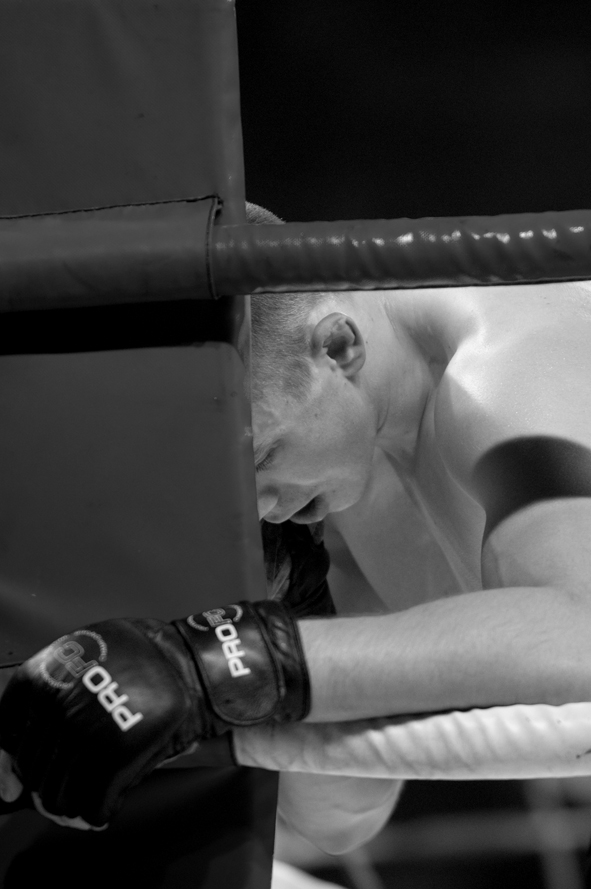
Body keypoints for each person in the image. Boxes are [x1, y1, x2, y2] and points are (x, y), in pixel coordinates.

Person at [1, 203, 591, 862]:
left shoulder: (508, 359)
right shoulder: (351, 469)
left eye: (263, 457)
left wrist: (215, 661)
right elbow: (342, 818)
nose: (261, 507)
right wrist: (278, 641)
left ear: (336, 348)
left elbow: (582, 636)